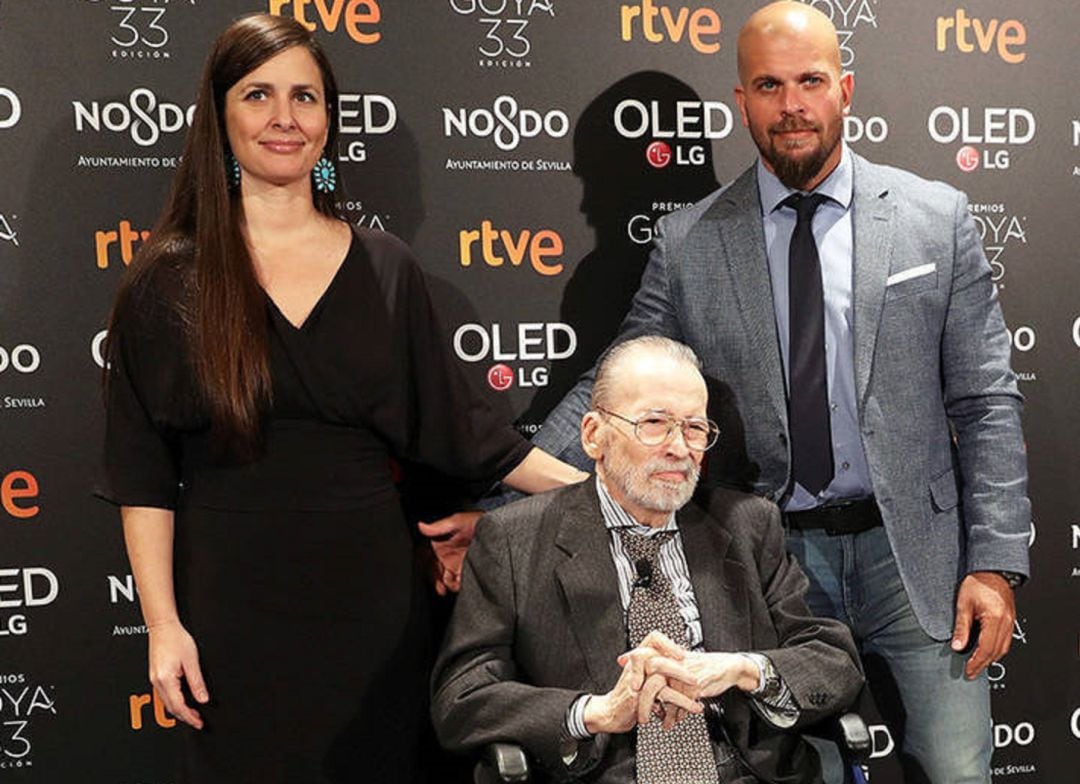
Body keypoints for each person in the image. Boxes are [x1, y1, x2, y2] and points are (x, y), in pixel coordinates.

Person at [483, 3, 1031, 781]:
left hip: (918, 563)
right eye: (769, 86)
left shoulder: (933, 220)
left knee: (956, 769)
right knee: (803, 771)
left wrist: (996, 564)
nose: (792, 104)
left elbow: (986, 402)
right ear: (741, 103)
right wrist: (509, 503)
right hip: (773, 566)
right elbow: (613, 384)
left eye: (810, 81)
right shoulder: (689, 242)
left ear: (846, 88)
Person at [98, 14, 584, 783]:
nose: (285, 118)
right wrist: (163, 627)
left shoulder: (388, 268)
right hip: (230, 613)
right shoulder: (168, 280)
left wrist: (626, 499)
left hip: (377, 612)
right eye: (258, 95)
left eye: (306, 97)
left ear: (330, 119)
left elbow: (481, 442)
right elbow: (142, 476)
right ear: (220, 116)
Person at [432, 336, 863, 783]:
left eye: (695, 428)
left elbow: (833, 660)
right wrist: (593, 713)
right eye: (654, 423)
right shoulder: (513, 539)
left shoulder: (747, 525)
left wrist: (742, 668)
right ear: (594, 435)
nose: (679, 447)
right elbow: (462, 698)